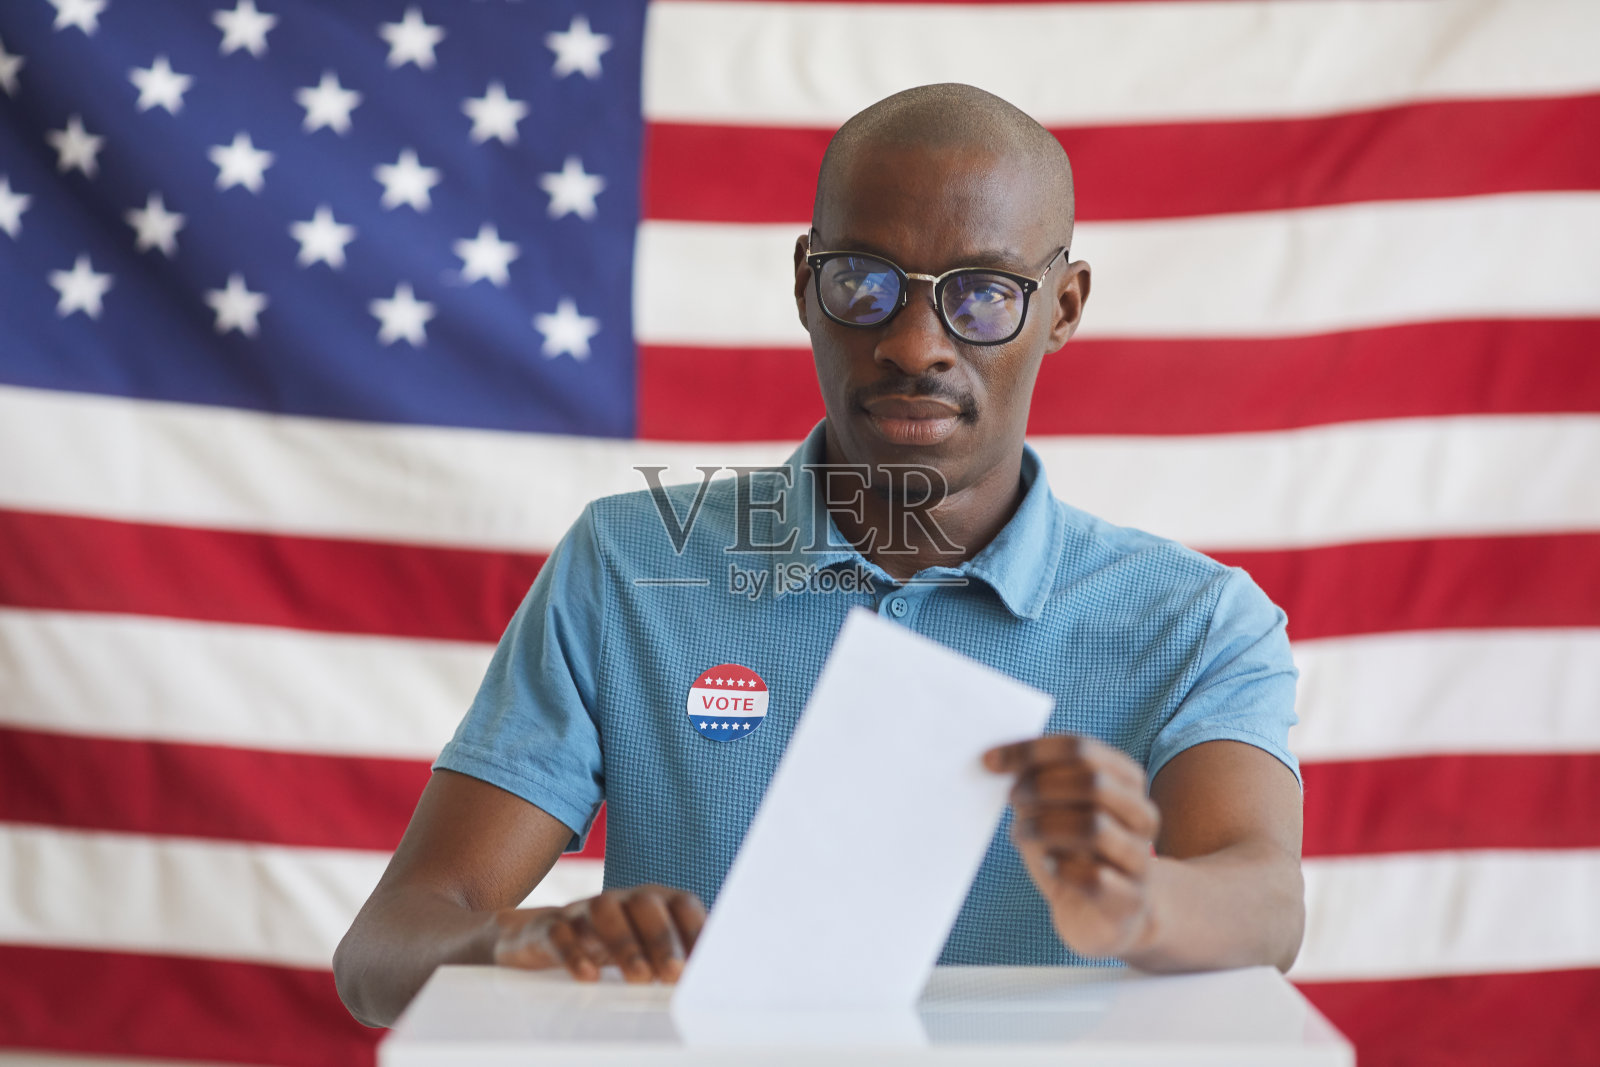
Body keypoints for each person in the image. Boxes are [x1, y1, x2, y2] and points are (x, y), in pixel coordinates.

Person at [333, 83, 1305, 1029]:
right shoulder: (631, 566)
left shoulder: (1195, 618)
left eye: (982, 294)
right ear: (805, 283)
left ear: (1063, 306)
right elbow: (382, 953)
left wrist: (1140, 902)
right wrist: (532, 941)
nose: (915, 344)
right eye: (863, 283)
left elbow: (1266, 905)